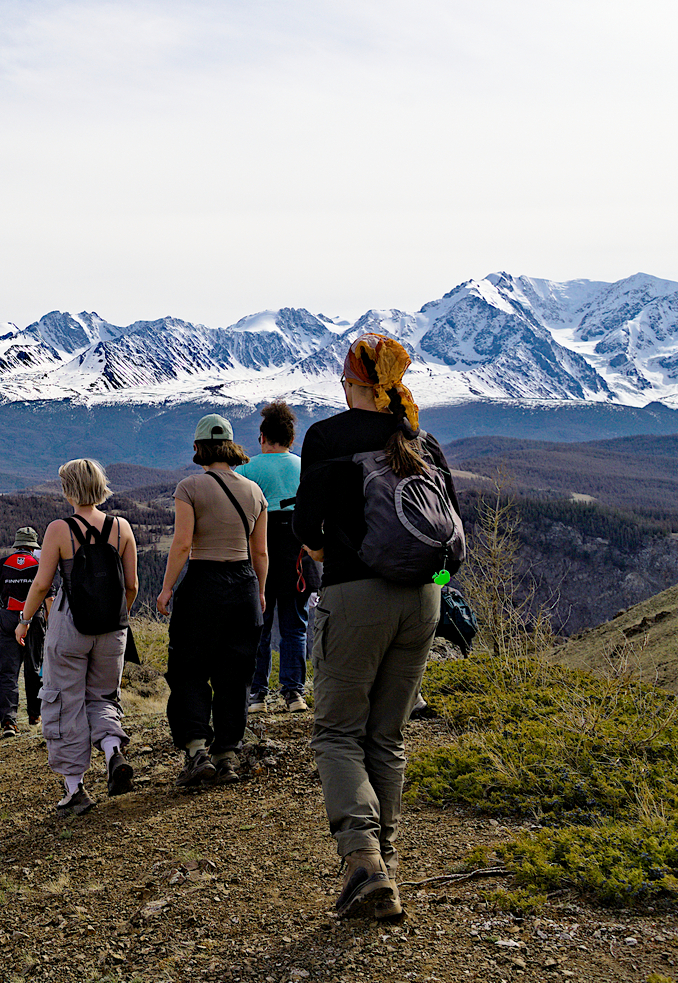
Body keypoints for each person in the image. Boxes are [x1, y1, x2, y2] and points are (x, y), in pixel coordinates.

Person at [295, 334, 458, 922]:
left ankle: (364, 862)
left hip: (354, 596)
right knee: (386, 738)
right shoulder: (422, 441)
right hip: (424, 600)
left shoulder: (326, 438)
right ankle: (384, 862)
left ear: (353, 381)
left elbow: (307, 529)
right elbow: (449, 530)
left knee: (338, 733)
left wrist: (327, 552)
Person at [16, 458, 141, 815]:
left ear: (69, 489)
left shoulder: (59, 529)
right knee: (103, 696)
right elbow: (130, 585)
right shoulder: (122, 528)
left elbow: (42, 584)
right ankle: (113, 751)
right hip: (113, 627)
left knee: (64, 700)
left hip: (70, 623)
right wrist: (118, 616)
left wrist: (25, 620)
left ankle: (75, 790)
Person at [157, 415, 269, 789]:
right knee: (235, 674)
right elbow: (261, 553)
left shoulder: (189, 487)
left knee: (189, 668)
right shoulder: (255, 492)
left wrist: (168, 587)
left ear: (199, 448)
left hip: (203, 582)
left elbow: (184, 544)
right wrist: (261, 591)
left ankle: (196, 750)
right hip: (244, 585)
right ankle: (227, 754)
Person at [237, 401, 309, 713]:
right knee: (295, 626)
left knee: (259, 626)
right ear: (292, 440)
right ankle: (294, 693)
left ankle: (257, 695)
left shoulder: (245, 472)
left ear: (262, 437)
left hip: (257, 553)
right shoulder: (305, 467)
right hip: (298, 554)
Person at [0, 527, 46, 735]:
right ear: (33, 546)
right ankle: (35, 714)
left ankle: (9, 722)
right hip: (34, 618)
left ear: (16, 544)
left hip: (8, 617)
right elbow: (48, 597)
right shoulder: (39, 564)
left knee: (7, 671)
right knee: (34, 667)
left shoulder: (3, 564)